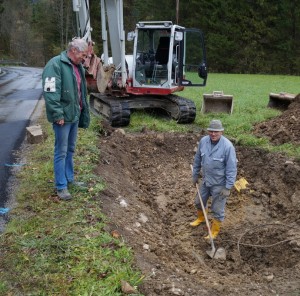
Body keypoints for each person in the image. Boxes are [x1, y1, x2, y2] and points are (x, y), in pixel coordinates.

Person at [42, 37, 90, 201]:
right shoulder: (55, 65)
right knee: (61, 151)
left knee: (70, 149)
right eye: (83, 55)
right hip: (63, 118)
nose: (84, 58)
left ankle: (69, 179)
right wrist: (57, 114)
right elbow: (50, 92)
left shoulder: (77, 67)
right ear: (74, 50)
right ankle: (61, 186)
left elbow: (80, 91)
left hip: (74, 115)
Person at [190, 119, 237, 239]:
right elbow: (197, 160)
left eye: (216, 132)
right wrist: (195, 175)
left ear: (221, 132)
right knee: (198, 202)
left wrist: (228, 187)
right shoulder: (203, 141)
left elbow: (231, 168)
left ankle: (214, 231)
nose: (213, 134)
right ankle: (201, 218)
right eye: (211, 131)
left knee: (217, 209)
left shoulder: (227, 147)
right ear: (208, 131)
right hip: (206, 180)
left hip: (220, 184)